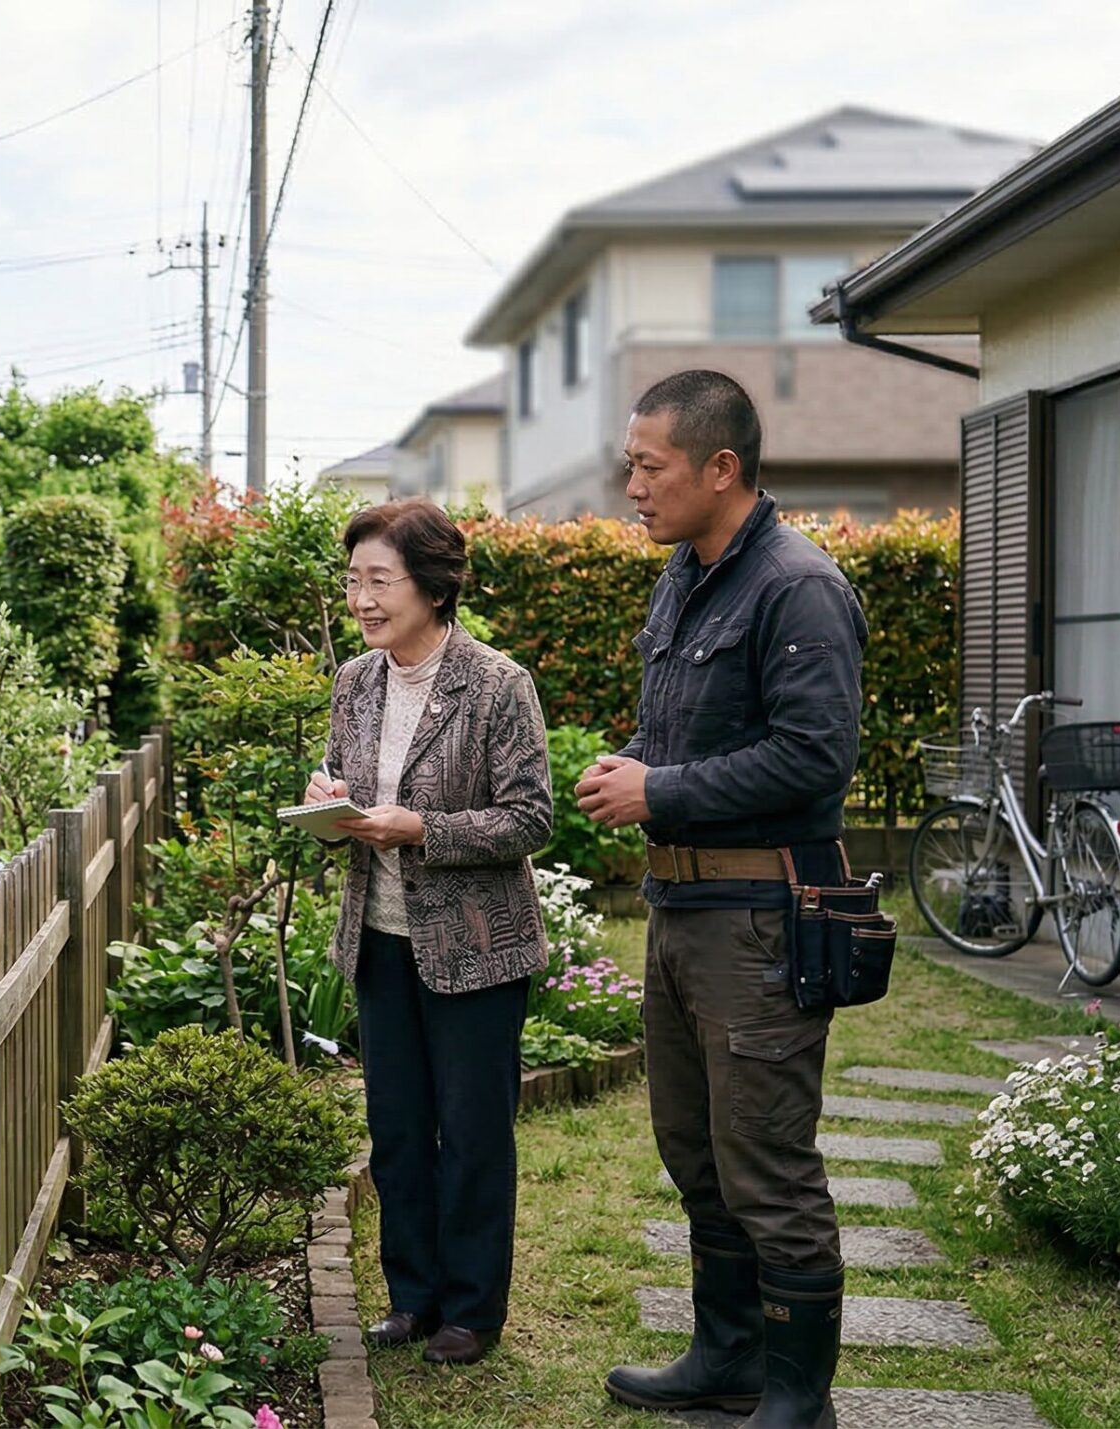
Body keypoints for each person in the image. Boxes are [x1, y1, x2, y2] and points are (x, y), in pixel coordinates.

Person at [577, 370, 866, 1429]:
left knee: (766, 1163)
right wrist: (638, 765)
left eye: (647, 466)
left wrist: (660, 787)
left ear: (719, 467)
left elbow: (812, 756)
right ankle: (726, 1353)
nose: (632, 485)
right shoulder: (687, 577)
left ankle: (799, 1397)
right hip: (680, 914)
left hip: (758, 922)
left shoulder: (797, 585)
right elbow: (695, 734)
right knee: (695, 1151)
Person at [300, 497, 554, 1367]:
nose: (362, 599)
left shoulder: (496, 683)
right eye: (353, 581)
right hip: (378, 937)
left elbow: (530, 817)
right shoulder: (355, 682)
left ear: (433, 585)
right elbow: (351, 787)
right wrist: (328, 805)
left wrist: (423, 830)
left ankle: (472, 1309)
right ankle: (412, 1297)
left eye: (379, 580)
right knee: (399, 1125)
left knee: (473, 1130)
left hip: (478, 947)